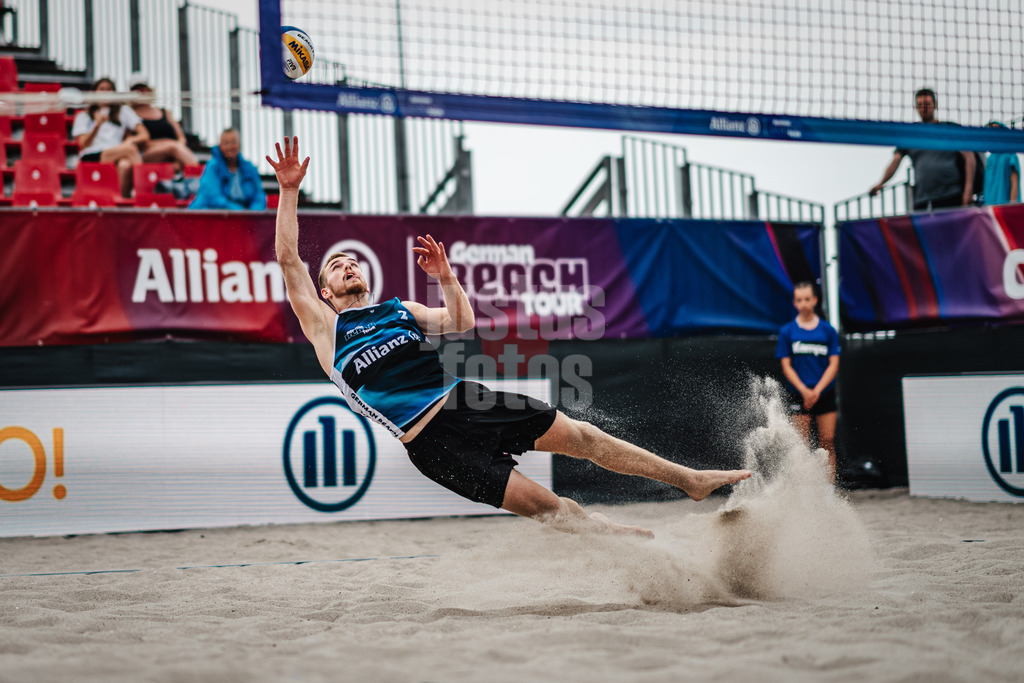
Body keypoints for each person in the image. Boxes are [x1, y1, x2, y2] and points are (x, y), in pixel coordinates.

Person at [266, 136, 750, 537]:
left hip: (466, 401)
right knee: (555, 511)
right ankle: (632, 539)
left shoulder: (400, 310)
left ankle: (691, 480)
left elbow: (462, 323)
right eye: (335, 266)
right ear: (325, 291)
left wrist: (447, 278)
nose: (347, 265)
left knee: (582, 436)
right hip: (433, 446)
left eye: (350, 261)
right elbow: (289, 260)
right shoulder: (327, 330)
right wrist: (289, 191)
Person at [870, 88, 976, 212]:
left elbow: (969, 157)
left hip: (951, 195)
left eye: (927, 104)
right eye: (919, 105)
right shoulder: (911, 133)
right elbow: (895, 161)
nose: (923, 108)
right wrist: (880, 183)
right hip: (922, 199)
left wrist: (968, 192)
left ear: (935, 105)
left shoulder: (949, 129)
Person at [776, 282, 840, 485]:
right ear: (794, 303)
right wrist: (804, 391)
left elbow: (833, 364)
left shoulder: (828, 331)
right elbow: (786, 366)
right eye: (799, 300)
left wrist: (817, 391)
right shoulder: (787, 332)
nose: (803, 303)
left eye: (807, 299)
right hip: (798, 394)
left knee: (827, 442)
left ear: (815, 300)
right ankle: (803, 491)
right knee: (801, 445)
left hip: (824, 393)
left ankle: (829, 491)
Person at [71, 76, 148, 198]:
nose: (106, 92)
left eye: (109, 89)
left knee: (125, 165)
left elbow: (144, 135)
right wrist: (97, 125)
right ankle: (144, 191)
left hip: (117, 153)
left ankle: (120, 200)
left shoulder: (123, 111)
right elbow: (83, 144)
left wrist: (130, 140)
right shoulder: (84, 116)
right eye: (102, 89)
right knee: (131, 150)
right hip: (92, 154)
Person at [127, 72, 198, 173]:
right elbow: (134, 142)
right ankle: (199, 177)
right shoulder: (130, 115)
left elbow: (181, 137)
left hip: (174, 152)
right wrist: (169, 144)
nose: (140, 92)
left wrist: (177, 153)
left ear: (148, 90)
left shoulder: (165, 112)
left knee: (176, 150)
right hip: (146, 154)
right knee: (174, 148)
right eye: (136, 90)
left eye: (142, 88)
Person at [189, 128, 266, 210]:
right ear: (220, 146)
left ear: (239, 145)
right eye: (226, 143)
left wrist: (253, 214)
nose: (230, 147)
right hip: (212, 217)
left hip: (242, 218)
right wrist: (241, 212)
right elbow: (213, 198)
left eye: (233, 142)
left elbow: (259, 197)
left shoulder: (249, 168)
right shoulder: (212, 167)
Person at [982, 121, 1020, 205]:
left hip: (1005, 206)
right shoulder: (990, 158)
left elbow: (1014, 182)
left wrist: (1012, 205)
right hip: (989, 207)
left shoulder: (1010, 155)